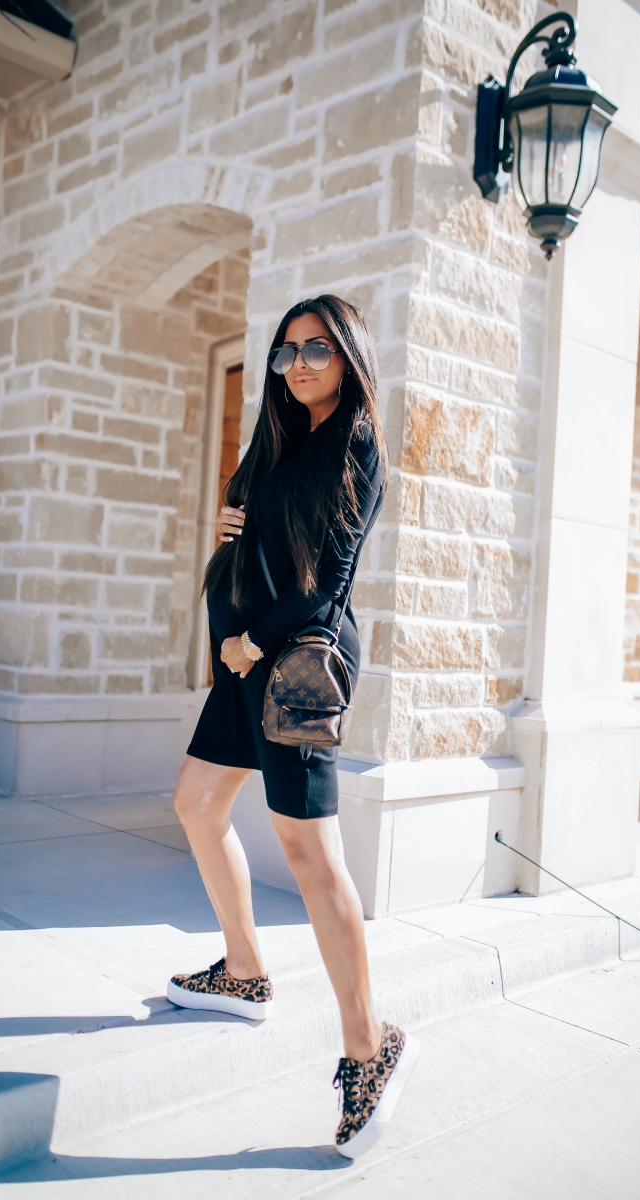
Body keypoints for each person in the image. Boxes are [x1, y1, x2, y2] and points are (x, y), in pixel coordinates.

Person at [167, 295, 419, 1158]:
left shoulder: (357, 447)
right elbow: (253, 543)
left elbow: (330, 586)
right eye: (286, 352)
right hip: (240, 663)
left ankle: (369, 1045)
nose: (300, 363)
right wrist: (229, 532)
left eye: (317, 348)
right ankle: (243, 971)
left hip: (293, 672)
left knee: (311, 854)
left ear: (349, 355)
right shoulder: (278, 440)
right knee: (198, 804)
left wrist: (252, 641)